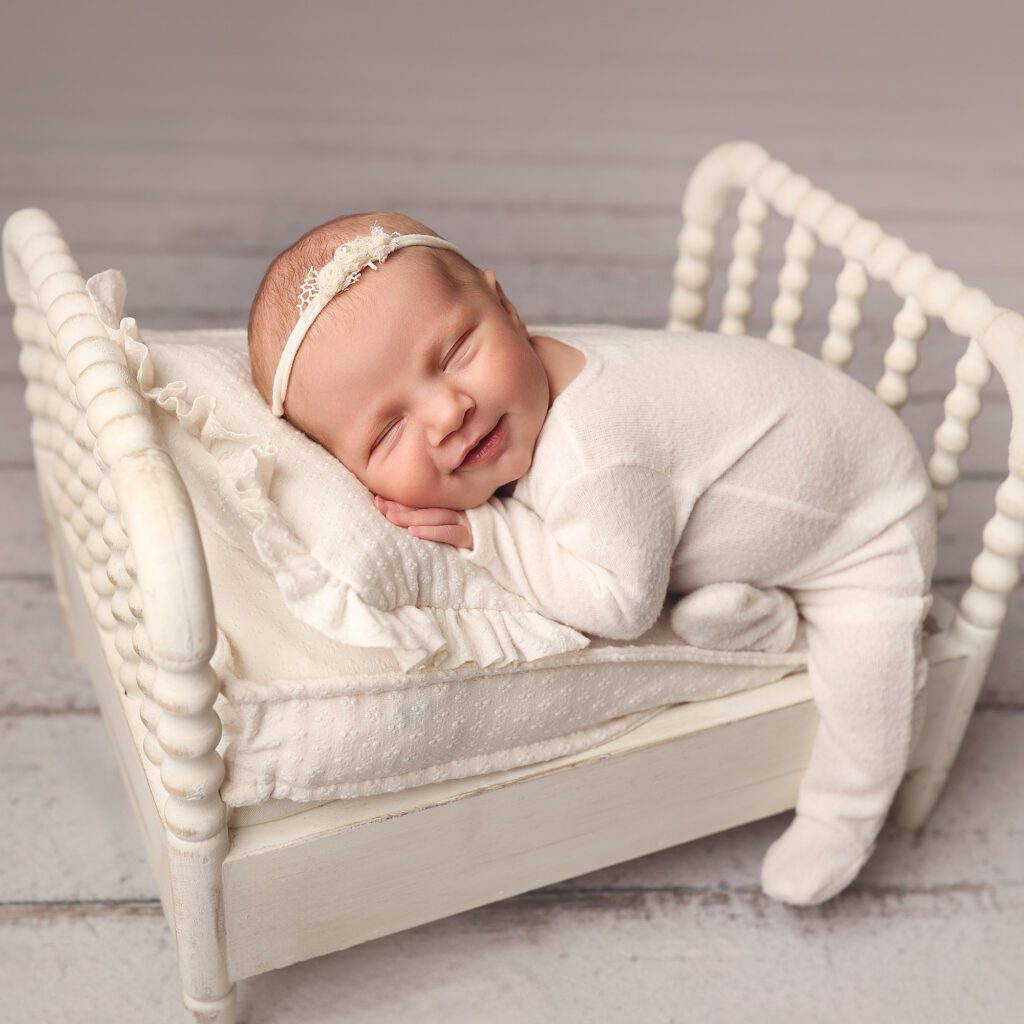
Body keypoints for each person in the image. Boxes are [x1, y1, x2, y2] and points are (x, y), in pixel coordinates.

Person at [247, 212, 937, 907]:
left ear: (507, 308)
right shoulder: (523, 388)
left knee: (867, 678)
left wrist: (493, 537)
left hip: (868, 518)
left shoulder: (593, 452)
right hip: (778, 501)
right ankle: (771, 620)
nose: (448, 412)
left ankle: (846, 812)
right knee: (671, 528)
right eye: (390, 429)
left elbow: (622, 607)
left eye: (454, 353)